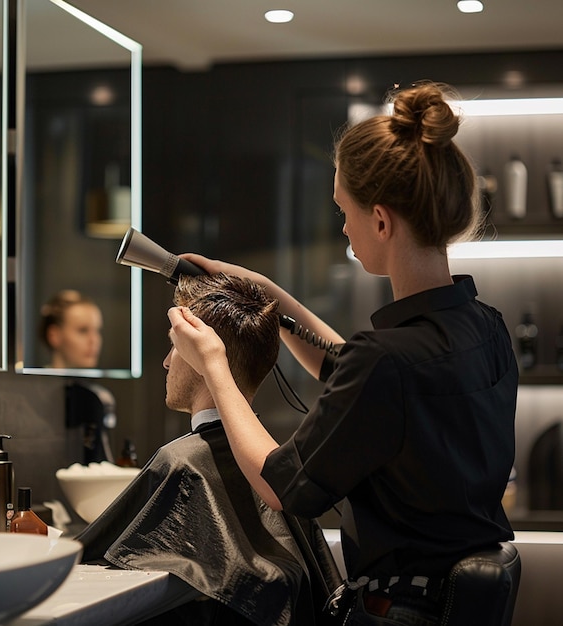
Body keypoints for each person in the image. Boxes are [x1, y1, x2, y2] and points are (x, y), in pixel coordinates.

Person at [167, 81, 519, 625]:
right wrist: (269, 293)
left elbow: (281, 484)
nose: (344, 228)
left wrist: (215, 365)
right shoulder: (486, 330)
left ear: (380, 220)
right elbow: (348, 370)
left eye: (344, 210)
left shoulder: (389, 360)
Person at [76, 273, 342, 626]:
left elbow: (86, 561)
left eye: (174, 346)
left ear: (199, 354)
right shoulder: (281, 467)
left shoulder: (184, 463)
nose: (167, 362)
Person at [39, 289, 103, 368]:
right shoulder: (33, 380)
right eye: (83, 330)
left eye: (97, 330)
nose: (94, 340)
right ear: (54, 335)